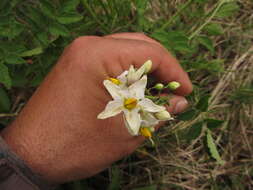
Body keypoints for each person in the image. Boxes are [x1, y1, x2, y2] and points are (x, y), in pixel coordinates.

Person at [0, 33, 192, 189]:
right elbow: (122, 98)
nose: (133, 102)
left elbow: (136, 90)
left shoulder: (135, 98)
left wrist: (19, 163)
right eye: (132, 102)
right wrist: (25, 162)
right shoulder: (128, 96)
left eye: (133, 103)